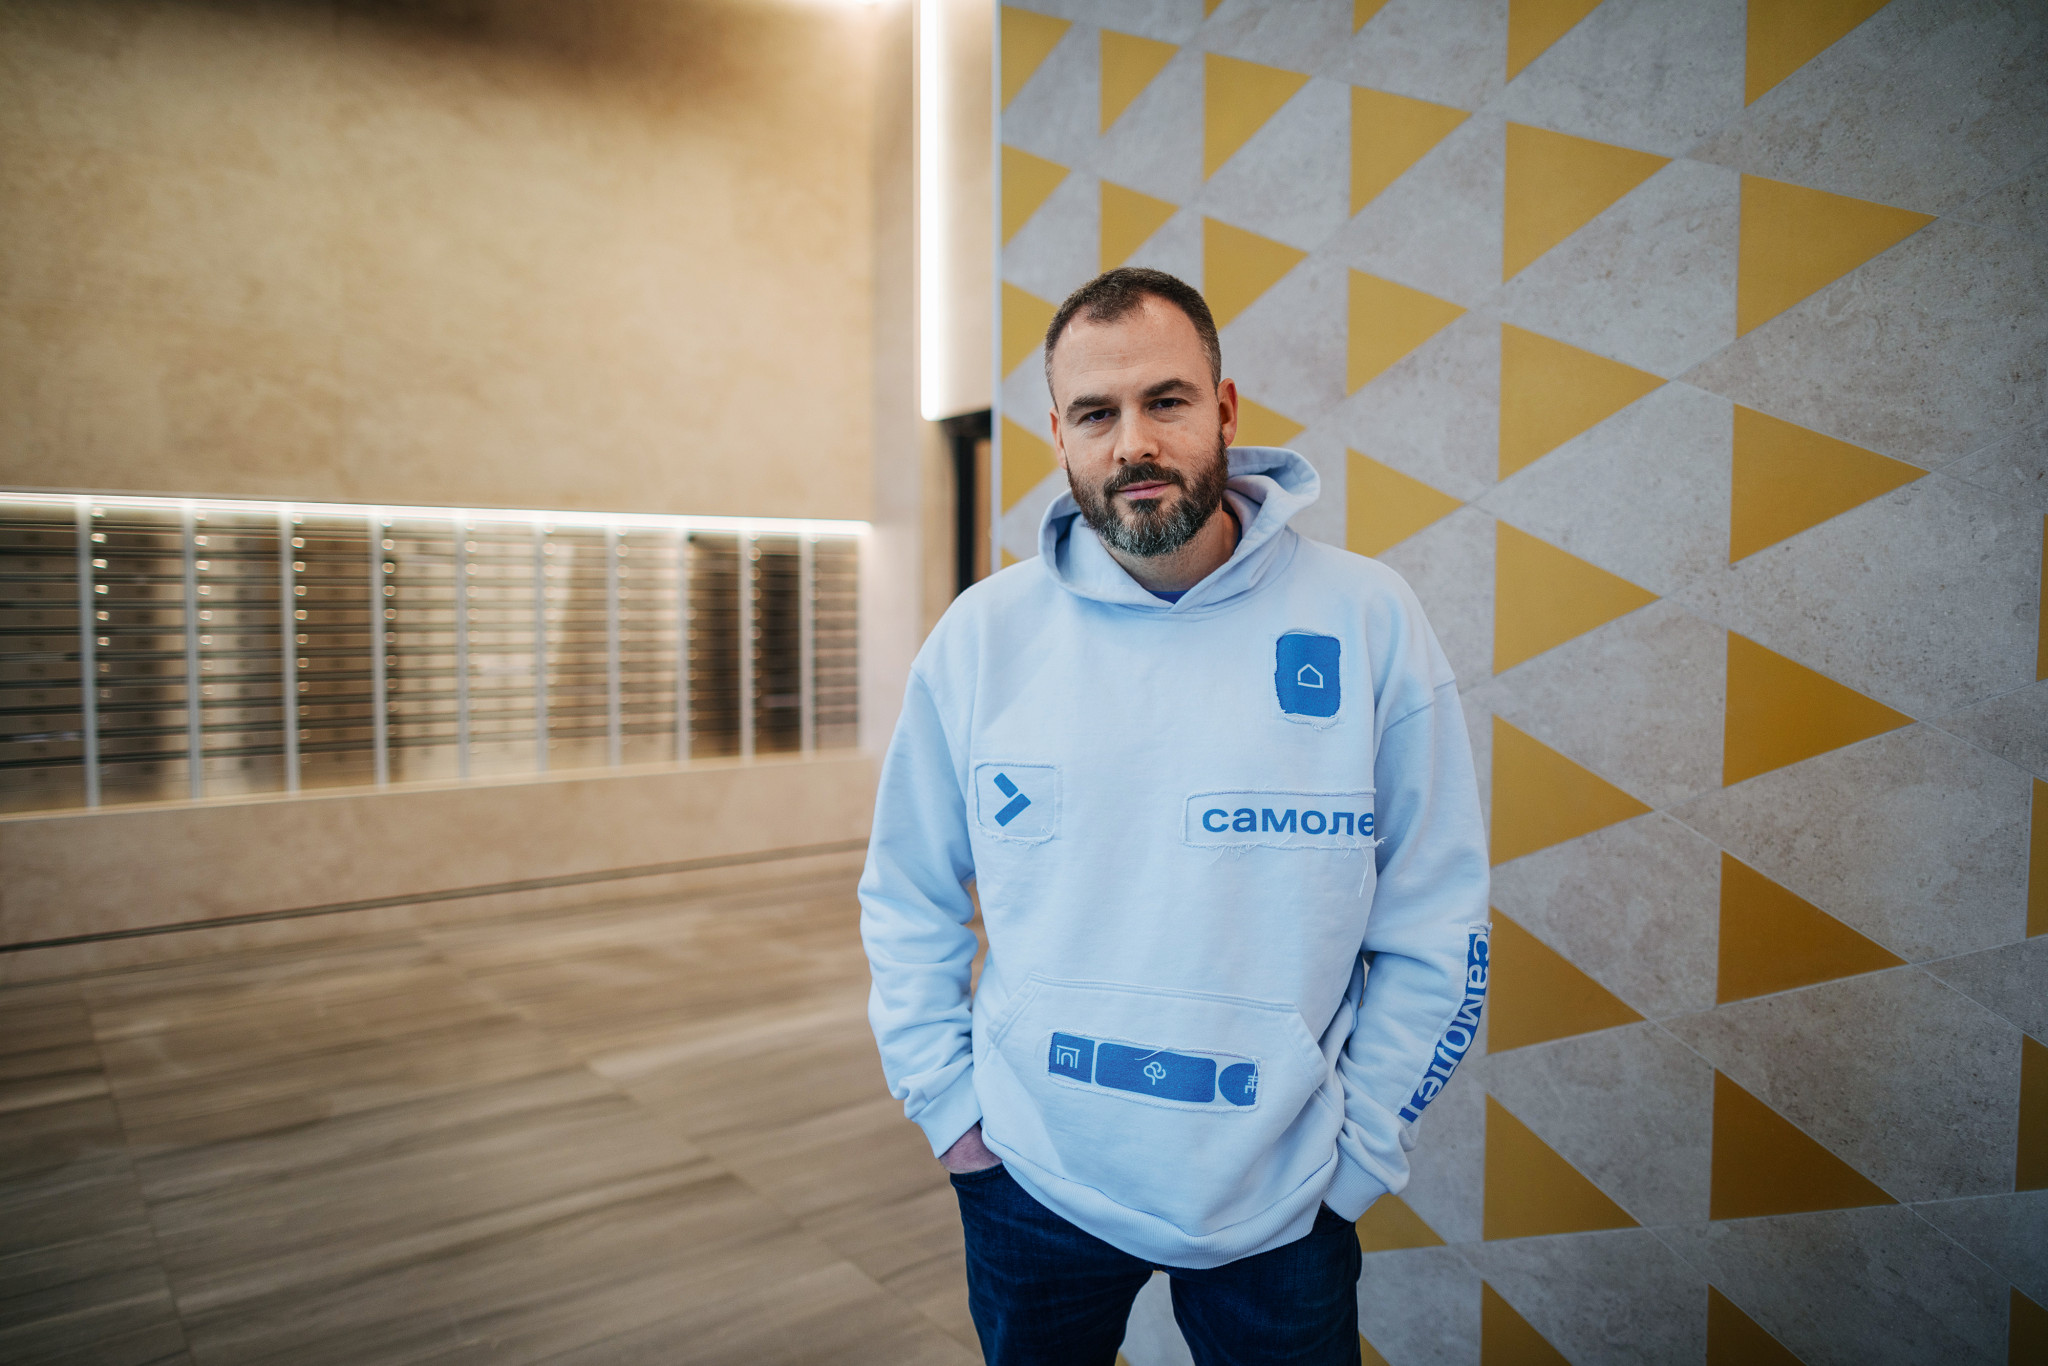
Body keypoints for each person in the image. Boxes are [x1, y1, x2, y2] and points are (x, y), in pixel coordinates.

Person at [858, 267, 1489, 1365]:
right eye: (1095, 414)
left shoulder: (1365, 618)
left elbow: (1436, 913)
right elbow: (905, 892)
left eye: (1166, 401)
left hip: (1282, 1194)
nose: (1132, 444)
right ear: (1058, 434)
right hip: (1028, 1178)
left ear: (1225, 410)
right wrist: (950, 1115)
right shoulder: (982, 637)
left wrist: (1360, 1152)